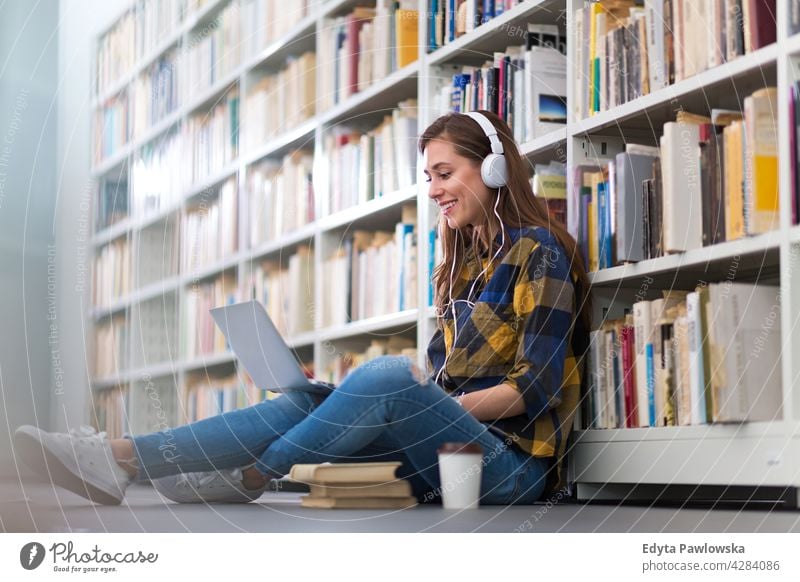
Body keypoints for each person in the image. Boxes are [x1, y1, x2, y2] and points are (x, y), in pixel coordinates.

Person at [15, 110, 591, 507]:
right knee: (301, 397)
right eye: (429, 178)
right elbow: (438, 379)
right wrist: (363, 402)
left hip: (510, 470)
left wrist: (420, 401)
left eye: (445, 174)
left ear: (492, 169)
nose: (435, 189)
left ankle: (249, 473)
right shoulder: (463, 267)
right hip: (439, 464)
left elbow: (531, 390)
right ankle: (117, 458)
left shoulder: (540, 253)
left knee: (389, 377)